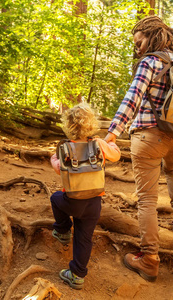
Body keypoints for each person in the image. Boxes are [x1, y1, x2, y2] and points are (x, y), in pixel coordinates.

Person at [104, 16, 173, 282]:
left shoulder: (151, 62)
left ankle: (149, 259)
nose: (137, 48)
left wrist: (111, 135)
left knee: (146, 199)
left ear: (152, 35)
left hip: (150, 136)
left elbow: (132, 99)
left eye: (139, 41)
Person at [50, 103, 121, 290]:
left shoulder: (65, 147)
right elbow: (116, 156)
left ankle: (63, 230)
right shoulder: (99, 144)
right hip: (94, 202)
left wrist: (53, 159)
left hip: (72, 200)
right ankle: (77, 275)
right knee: (84, 238)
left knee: (55, 199)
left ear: (68, 126)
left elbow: (59, 169)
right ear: (92, 124)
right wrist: (111, 143)